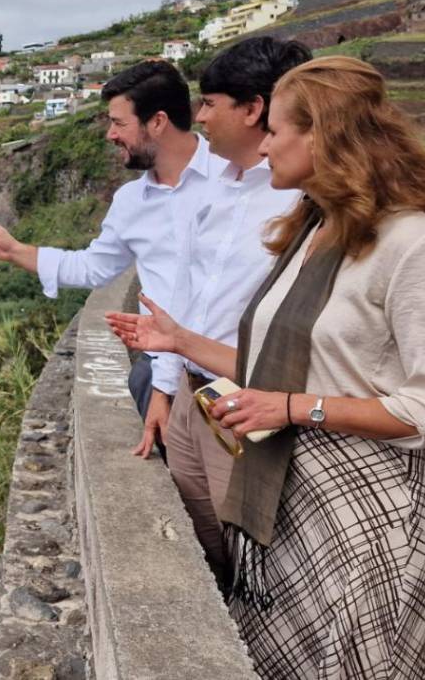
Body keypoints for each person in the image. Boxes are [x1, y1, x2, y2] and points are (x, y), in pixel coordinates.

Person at [107, 56, 425, 677]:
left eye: (276, 132)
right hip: (290, 498)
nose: (265, 145)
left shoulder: (413, 248)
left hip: (365, 514)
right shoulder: (312, 233)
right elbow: (265, 365)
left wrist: (294, 408)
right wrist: (180, 341)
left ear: (324, 135)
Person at [0, 59, 229, 444]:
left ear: (157, 122)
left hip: (231, 371)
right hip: (159, 371)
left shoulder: (236, 177)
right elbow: (94, 267)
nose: (110, 134)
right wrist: (16, 251)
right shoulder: (130, 200)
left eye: (119, 123)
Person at [153, 36, 311, 590]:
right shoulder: (213, 188)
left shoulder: (303, 200)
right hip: (193, 397)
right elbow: (185, 291)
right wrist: (162, 389)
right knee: (200, 539)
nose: (199, 118)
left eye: (210, 103)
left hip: (251, 403)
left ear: (253, 109)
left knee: (252, 552)